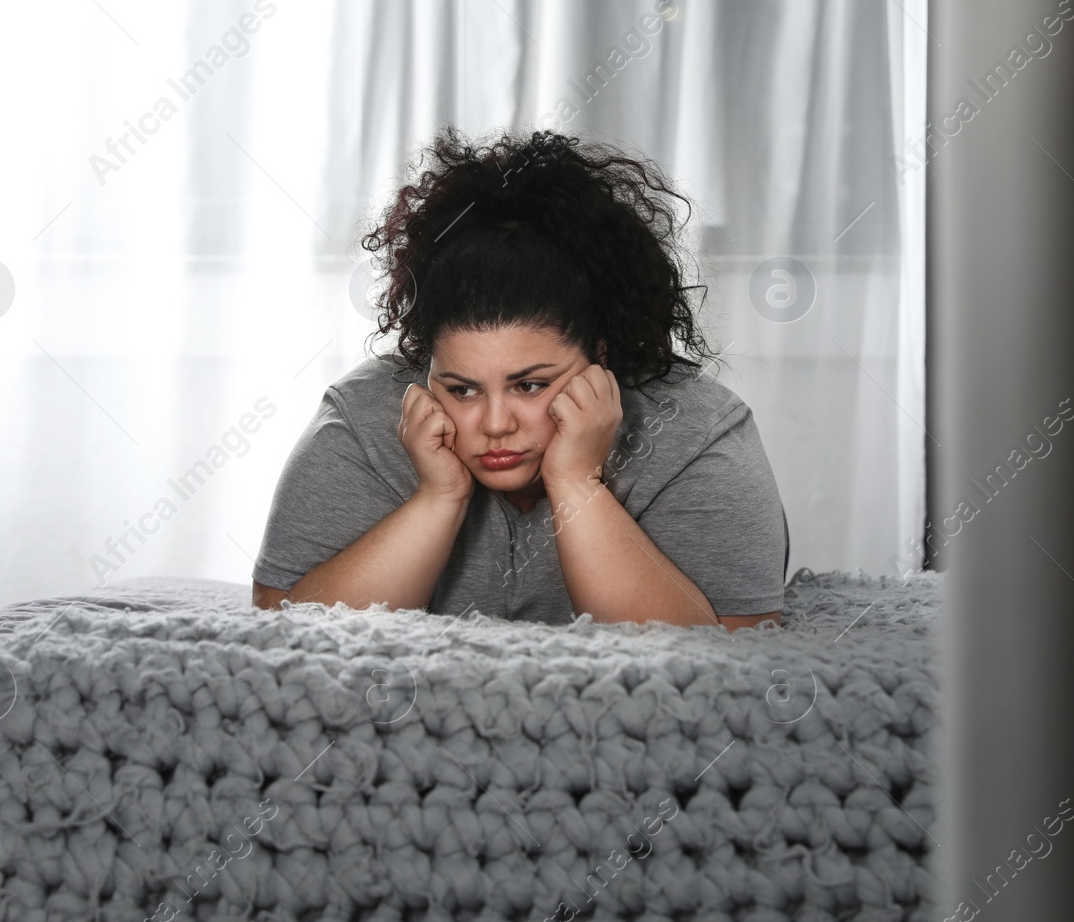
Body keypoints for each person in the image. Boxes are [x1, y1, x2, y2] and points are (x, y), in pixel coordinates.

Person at [251, 127, 789, 631]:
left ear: (600, 357)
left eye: (530, 385)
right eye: (461, 389)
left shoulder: (698, 431)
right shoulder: (366, 415)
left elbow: (731, 657)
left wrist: (578, 483)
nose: (495, 424)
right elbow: (279, 624)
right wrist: (438, 498)